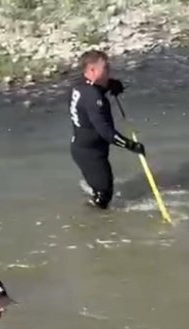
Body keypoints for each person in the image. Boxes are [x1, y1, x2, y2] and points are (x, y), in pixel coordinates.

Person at [69, 49, 146, 210]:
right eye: (105, 69)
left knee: (103, 186)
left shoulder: (81, 85)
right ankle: (92, 224)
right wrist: (131, 145)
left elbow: (96, 88)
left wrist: (111, 85)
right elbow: (107, 133)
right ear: (92, 70)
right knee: (103, 193)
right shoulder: (93, 97)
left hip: (86, 146)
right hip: (90, 153)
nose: (108, 73)